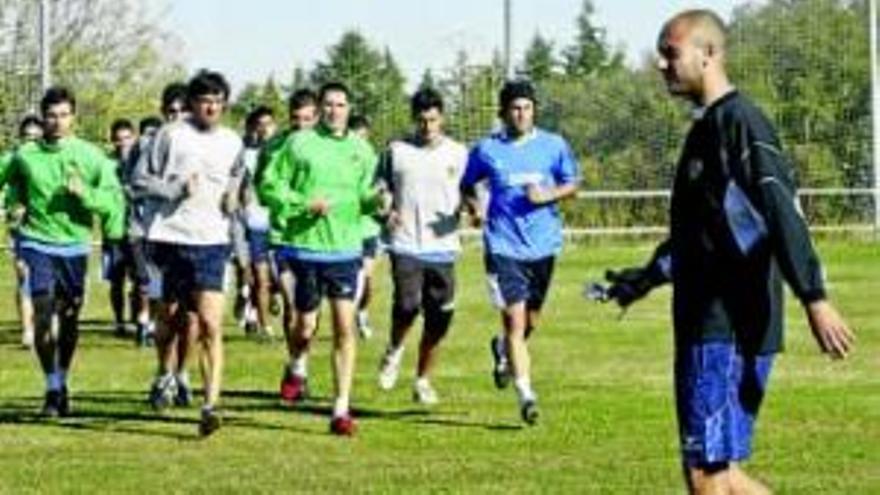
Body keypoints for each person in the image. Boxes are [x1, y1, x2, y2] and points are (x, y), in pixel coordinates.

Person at [599, 10, 854, 495]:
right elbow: (701, 234)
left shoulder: (740, 123)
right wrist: (645, 278)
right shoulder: (707, 129)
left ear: (708, 53)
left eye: (670, 53)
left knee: (706, 472)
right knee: (721, 471)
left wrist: (814, 296)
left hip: (726, 326)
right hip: (707, 321)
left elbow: (779, 208)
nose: (661, 64)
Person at [258, 82, 386, 436]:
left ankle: (340, 409)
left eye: (341, 104)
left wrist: (380, 202)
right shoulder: (298, 143)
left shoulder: (362, 149)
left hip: (346, 250)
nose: (334, 110)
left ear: (348, 108)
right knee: (305, 326)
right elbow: (269, 185)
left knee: (345, 326)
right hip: (304, 249)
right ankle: (297, 363)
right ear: (320, 109)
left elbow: (366, 195)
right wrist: (302, 204)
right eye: (328, 105)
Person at [460, 80, 580, 425]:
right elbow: (467, 183)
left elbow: (572, 184)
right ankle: (526, 395)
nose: (521, 113)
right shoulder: (486, 149)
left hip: (543, 246)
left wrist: (547, 195)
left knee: (530, 322)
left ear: (534, 110)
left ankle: (502, 351)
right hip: (503, 246)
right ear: (503, 112)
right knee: (514, 320)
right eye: (514, 108)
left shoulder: (553, 145)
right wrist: (474, 207)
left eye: (527, 107)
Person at [0, 87, 123, 417]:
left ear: (74, 118)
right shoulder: (25, 154)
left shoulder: (91, 156)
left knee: (69, 319)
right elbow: (6, 181)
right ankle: (52, 386)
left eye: (64, 115)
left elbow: (112, 201)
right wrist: (12, 204)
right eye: (51, 116)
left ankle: (63, 378)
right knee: (42, 315)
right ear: (43, 118)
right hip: (35, 241)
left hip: (74, 246)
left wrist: (86, 196)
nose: (57, 122)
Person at [139, 70, 243, 436]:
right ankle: (165, 373)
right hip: (170, 237)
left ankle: (210, 404)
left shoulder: (233, 141)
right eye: (204, 100)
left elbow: (236, 176)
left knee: (210, 324)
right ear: (192, 104)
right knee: (169, 319)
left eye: (217, 101)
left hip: (212, 241)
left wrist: (234, 195)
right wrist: (173, 190)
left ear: (224, 104)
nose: (211, 107)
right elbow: (138, 179)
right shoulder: (170, 135)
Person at [375, 87, 468, 405]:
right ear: (414, 119)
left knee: (439, 318)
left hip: (443, 246)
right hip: (406, 243)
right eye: (422, 120)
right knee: (407, 305)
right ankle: (394, 350)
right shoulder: (396, 151)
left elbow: (472, 191)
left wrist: (475, 207)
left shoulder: (458, 153)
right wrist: (386, 209)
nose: (428, 126)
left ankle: (423, 380)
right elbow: (379, 187)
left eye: (433, 119)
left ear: (442, 118)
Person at [253, 88, 321, 404]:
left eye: (307, 119)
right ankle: (298, 369)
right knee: (294, 308)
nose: (301, 125)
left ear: (317, 118)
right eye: (296, 119)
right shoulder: (274, 148)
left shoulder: (326, 149)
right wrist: (297, 204)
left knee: (310, 316)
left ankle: (298, 366)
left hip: (319, 240)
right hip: (283, 238)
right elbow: (264, 190)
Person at [127, 86, 189, 348]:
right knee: (160, 294)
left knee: (193, 311)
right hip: (158, 229)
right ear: (164, 112)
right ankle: (150, 330)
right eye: (172, 111)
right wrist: (172, 190)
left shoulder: (209, 142)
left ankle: (183, 373)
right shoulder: (151, 144)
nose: (178, 117)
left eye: (183, 110)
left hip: (198, 233)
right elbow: (136, 183)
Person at [0, 115, 44, 349]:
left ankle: (44, 323)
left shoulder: (48, 160)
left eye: (36, 137)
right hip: (21, 227)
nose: (31, 142)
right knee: (24, 277)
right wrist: (11, 210)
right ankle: (28, 330)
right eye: (27, 137)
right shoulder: (10, 160)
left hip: (47, 228)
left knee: (44, 282)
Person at [235, 105, 277, 339]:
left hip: (278, 223)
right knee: (256, 275)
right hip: (252, 222)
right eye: (259, 125)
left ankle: (253, 304)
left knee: (274, 278)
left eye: (268, 124)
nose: (264, 130)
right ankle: (264, 326)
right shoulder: (245, 155)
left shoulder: (283, 152)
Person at [102, 118, 137, 337]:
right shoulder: (106, 164)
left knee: (139, 277)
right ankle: (119, 320)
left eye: (127, 138)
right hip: (113, 230)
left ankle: (137, 319)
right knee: (116, 279)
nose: (122, 143)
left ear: (134, 138)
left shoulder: (141, 162)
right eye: (118, 139)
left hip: (137, 229)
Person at [347, 113, 380, 339]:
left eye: (364, 137)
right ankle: (348, 319)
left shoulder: (375, 161)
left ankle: (361, 312)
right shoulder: (341, 160)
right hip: (348, 230)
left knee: (367, 278)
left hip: (369, 229)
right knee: (351, 278)